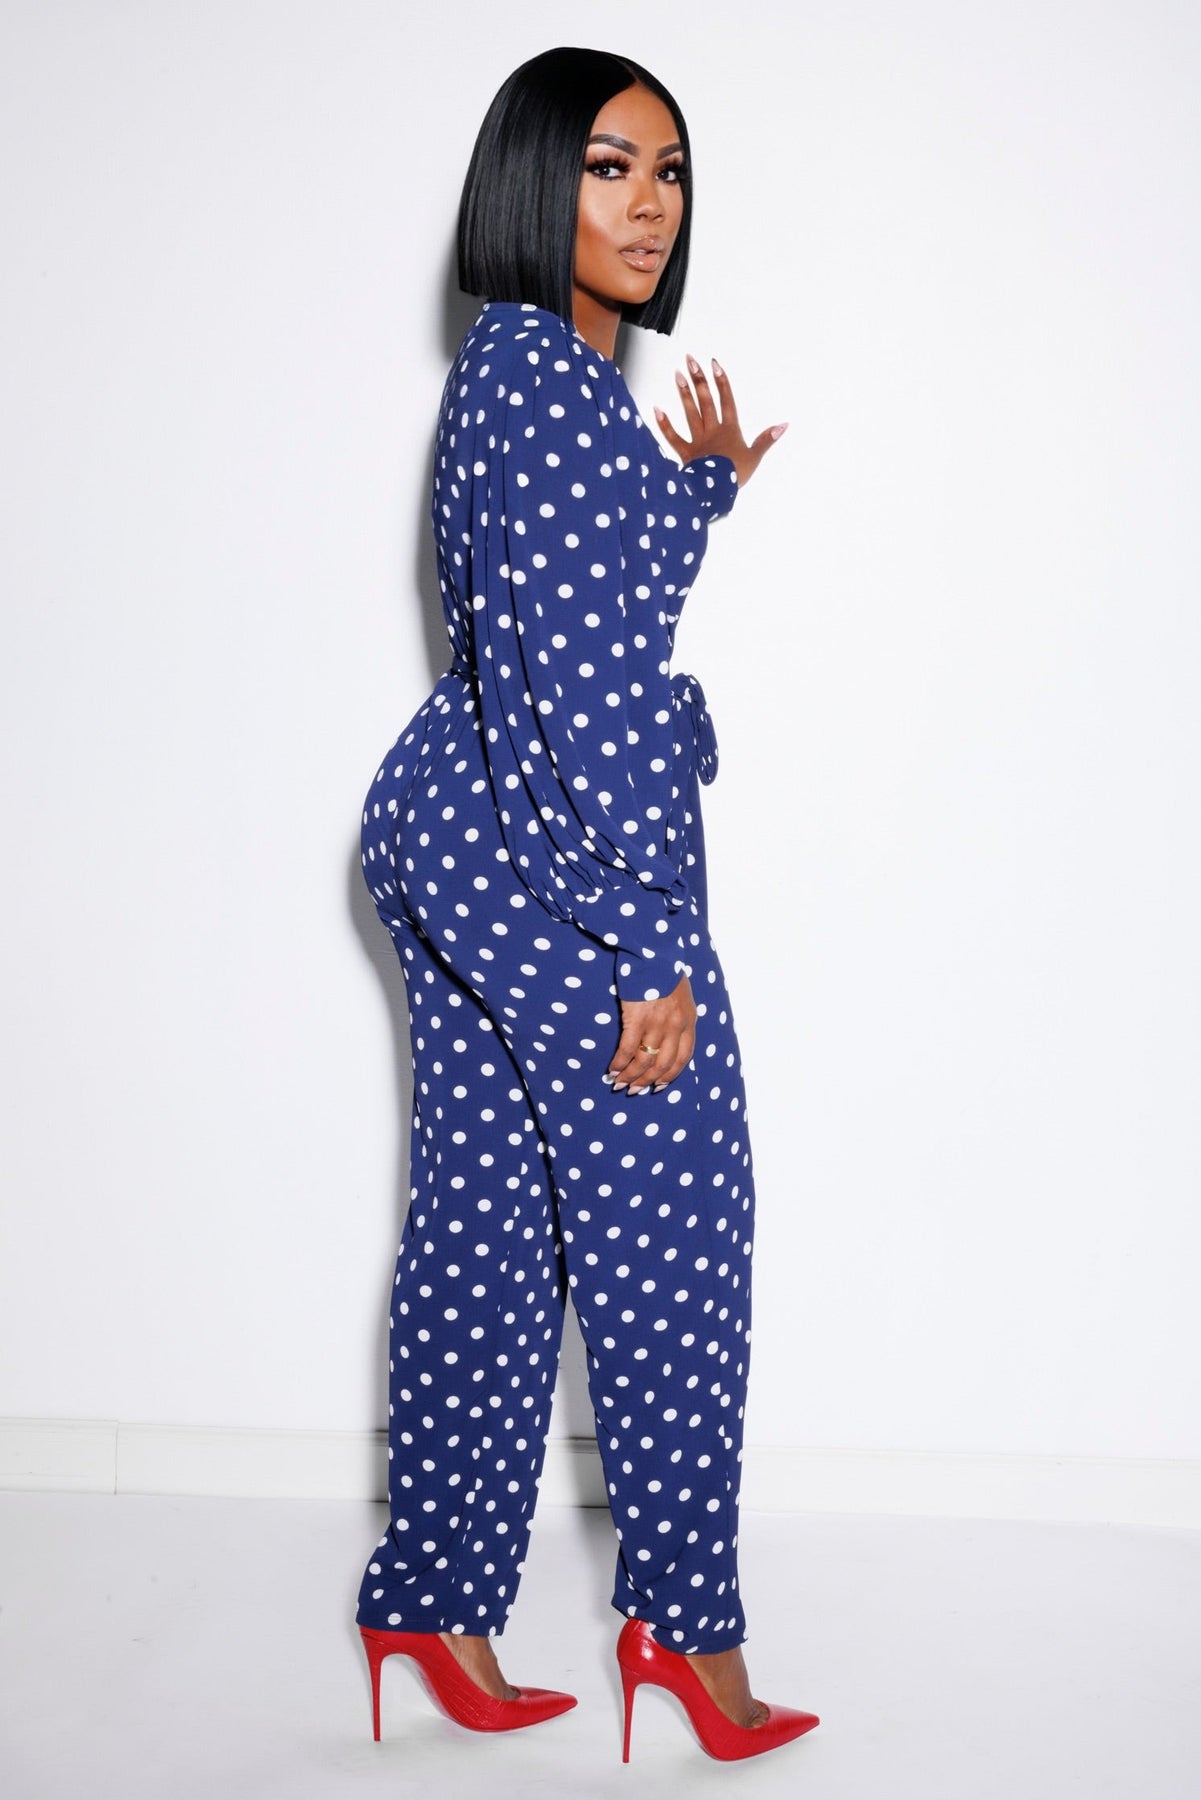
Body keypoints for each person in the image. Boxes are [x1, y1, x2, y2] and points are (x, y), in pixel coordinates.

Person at [354, 45, 819, 1764]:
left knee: (486, 1226)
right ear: (532, 180)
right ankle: (688, 1636)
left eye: (667, 171)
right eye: (607, 166)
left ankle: (429, 1600)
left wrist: (695, 490)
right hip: (538, 854)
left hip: (455, 826)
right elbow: (592, 703)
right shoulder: (546, 390)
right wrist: (653, 944)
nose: (646, 204)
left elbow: (586, 608)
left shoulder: (529, 373)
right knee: (679, 1219)